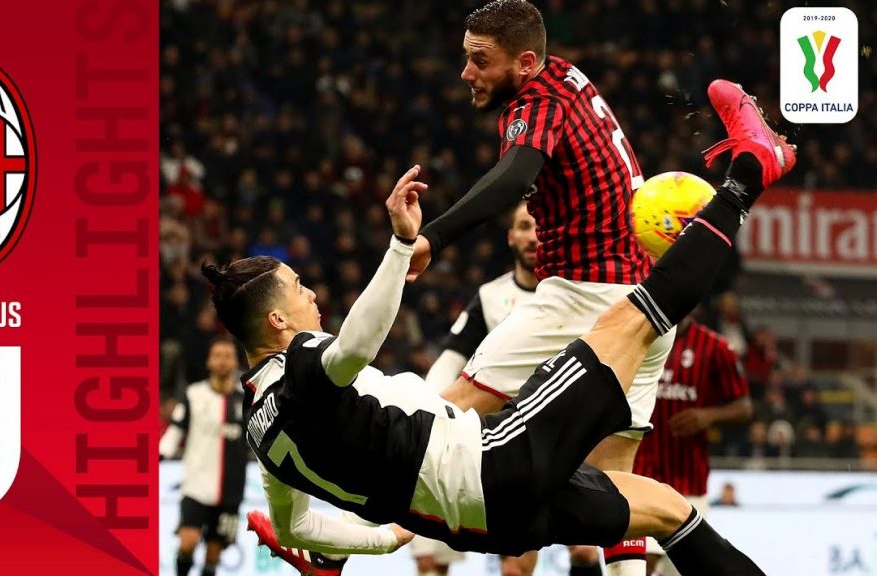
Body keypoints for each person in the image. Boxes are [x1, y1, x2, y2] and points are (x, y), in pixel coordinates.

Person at [206, 79, 794, 576]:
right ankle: (749, 172)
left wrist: (381, 542)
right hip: (496, 465)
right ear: (277, 320)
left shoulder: (261, 430)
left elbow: (297, 528)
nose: (312, 294)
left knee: (666, 509)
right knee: (636, 314)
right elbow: (356, 345)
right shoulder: (303, 362)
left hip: (478, 522)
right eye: (298, 288)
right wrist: (401, 245)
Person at [405, 3, 677, 571]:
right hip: (646, 300)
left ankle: (346, 533)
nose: (467, 73)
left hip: (586, 293)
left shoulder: (537, 101)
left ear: (525, 62)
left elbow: (514, 178)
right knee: (616, 483)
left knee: (453, 410)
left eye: (481, 60)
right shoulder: (566, 75)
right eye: (466, 57)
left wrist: (433, 236)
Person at [418, 207, 599, 576]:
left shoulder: (582, 292)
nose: (533, 236)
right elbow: (450, 359)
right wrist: (427, 406)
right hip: (506, 441)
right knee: (509, 564)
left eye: (541, 225)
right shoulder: (490, 297)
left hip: (569, 439)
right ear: (511, 237)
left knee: (583, 549)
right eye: (523, 226)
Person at [632, 315, 753, 576]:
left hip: (689, 482)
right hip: (640, 475)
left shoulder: (716, 347)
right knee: (641, 565)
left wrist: (709, 415)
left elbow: (744, 406)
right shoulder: (637, 336)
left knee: (681, 569)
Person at [158, 337, 249, 576]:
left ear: (235, 362)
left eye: (227, 356)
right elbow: (176, 431)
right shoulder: (193, 395)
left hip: (231, 490)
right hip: (196, 486)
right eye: (217, 355)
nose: (222, 361)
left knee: (213, 553)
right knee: (187, 542)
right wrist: (160, 454)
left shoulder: (246, 400)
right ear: (209, 361)